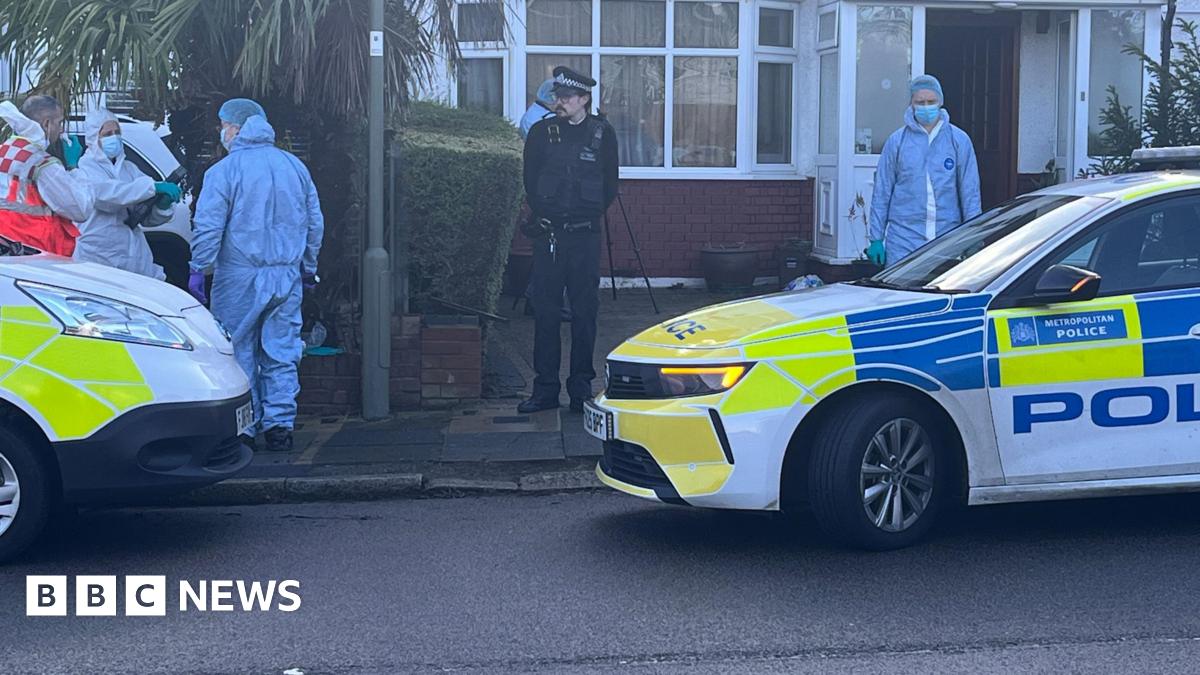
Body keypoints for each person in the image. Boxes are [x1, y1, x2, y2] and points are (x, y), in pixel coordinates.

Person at [188, 98, 324, 452]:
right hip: (287, 276)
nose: (222, 132)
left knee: (238, 351)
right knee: (282, 351)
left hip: (240, 277)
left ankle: (244, 426)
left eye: (223, 125)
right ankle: (280, 426)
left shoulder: (225, 171)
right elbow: (314, 223)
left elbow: (208, 226)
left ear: (236, 127)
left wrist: (199, 268)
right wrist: (308, 267)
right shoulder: (294, 167)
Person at [519, 66, 618, 415]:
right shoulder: (542, 133)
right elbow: (530, 180)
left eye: (567, 97)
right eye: (557, 97)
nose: (559, 102)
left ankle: (580, 389)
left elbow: (610, 186)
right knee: (545, 313)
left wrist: (582, 214)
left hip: (585, 237)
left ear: (584, 100)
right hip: (550, 235)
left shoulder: (603, 134)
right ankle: (545, 389)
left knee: (584, 314)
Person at [867, 74, 982, 268]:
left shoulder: (958, 140)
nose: (926, 106)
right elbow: (882, 192)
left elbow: (970, 193)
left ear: (941, 102)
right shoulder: (897, 142)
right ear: (911, 103)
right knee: (901, 294)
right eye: (920, 102)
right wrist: (876, 238)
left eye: (931, 101)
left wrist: (973, 237)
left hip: (947, 239)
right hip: (903, 241)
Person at [72, 109, 181, 279]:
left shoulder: (129, 169)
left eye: (117, 132)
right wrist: (152, 187)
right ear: (94, 138)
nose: (114, 137)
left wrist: (161, 206)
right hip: (97, 253)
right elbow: (107, 196)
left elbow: (144, 217)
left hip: (131, 252)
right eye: (107, 133)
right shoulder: (85, 168)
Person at [0, 96, 95, 255]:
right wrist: (74, 168)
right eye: (59, 123)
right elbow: (80, 209)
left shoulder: (4, 152)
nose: (61, 130)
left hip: (7, 252)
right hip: (35, 255)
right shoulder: (42, 164)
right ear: (46, 124)